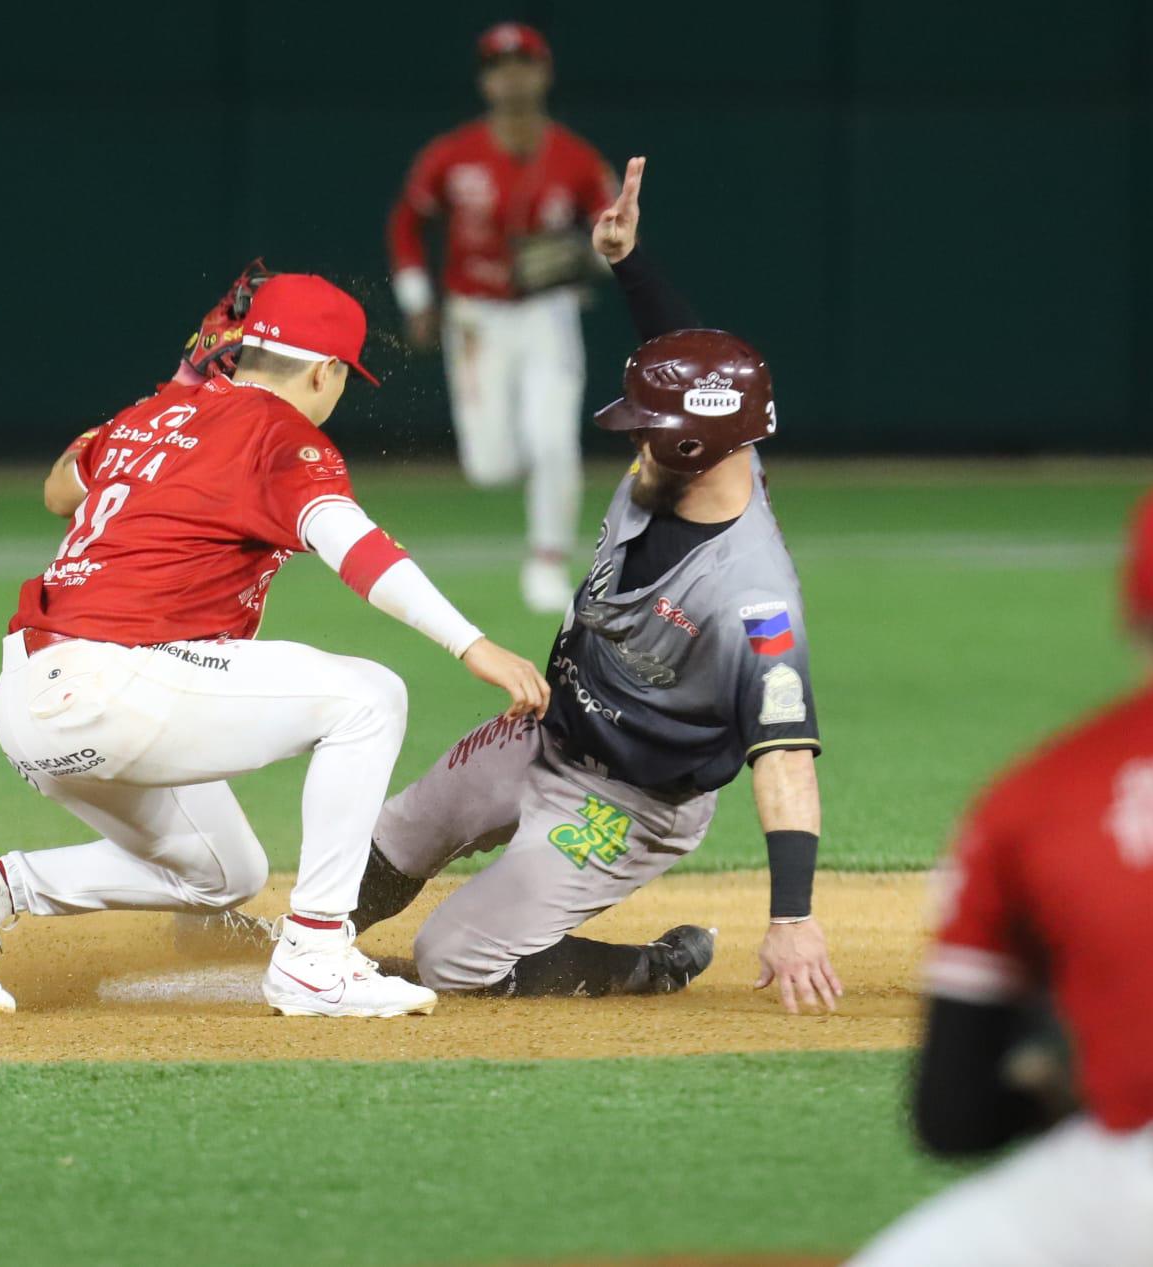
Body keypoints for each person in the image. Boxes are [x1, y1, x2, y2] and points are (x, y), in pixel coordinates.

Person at [0, 271, 549, 1019]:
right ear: (324, 370)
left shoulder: (155, 410)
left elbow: (56, 491)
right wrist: (472, 644)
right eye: (343, 377)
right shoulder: (281, 437)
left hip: (32, 699)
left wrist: (175, 393)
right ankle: (314, 956)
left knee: (222, 872)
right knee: (370, 698)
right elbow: (355, 547)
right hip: (111, 683)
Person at [343, 157, 843, 1008]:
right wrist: (628, 260)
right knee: (389, 840)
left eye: (646, 432)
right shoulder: (704, 451)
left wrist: (791, 914)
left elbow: (786, 757)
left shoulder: (753, 602)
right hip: (544, 727)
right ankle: (309, 951)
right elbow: (697, 369)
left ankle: (635, 968)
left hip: (627, 800)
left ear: (691, 450)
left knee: (451, 958)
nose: (631, 441)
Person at [846, 479, 1153, 1264]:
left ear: (1137, 618)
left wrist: (1046, 1078)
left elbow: (953, 1116)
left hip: (1139, 1187)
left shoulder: (1040, 797)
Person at [387, 21, 620, 613]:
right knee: (489, 465)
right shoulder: (454, 154)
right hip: (474, 319)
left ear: (544, 73)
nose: (511, 76)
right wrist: (417, 299)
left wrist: (596, 250)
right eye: (499, 66)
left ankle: (547, 560)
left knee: (553, 439)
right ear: (485, 81)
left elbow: (612, 232)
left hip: (547, 314)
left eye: (523, 63)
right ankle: (525, 471)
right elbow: (406, 223)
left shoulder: (575, 158)